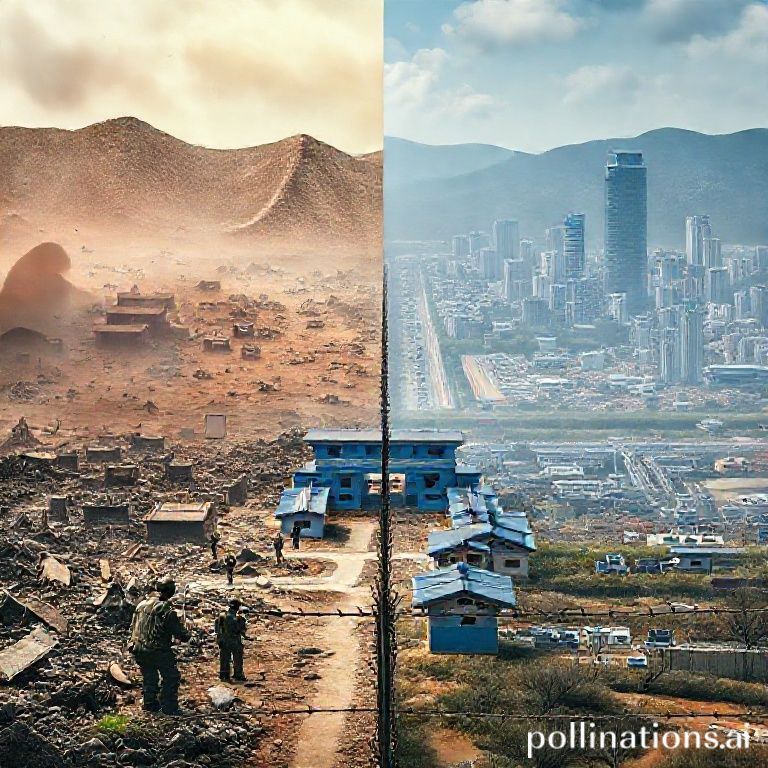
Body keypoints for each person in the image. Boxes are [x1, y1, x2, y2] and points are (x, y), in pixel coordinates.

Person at [128, 577, 190, 715]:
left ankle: (150, 706)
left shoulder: (141, 605)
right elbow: (181, 634)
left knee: (150, 677)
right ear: (171, 592)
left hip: (138, 649)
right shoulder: (166, 610)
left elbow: (133, 627)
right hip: (157, 651)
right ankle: (169, 707)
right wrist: (186, 634)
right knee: (172, 677)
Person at [215, 598, 247, 682]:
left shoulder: (222, 615)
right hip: (234, 640)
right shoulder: (237, 618)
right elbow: (241, 630)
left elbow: (217, 628)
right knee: (237, 658)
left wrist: (219, 639)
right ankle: (238, 674)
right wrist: (242, 620)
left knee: (224, 658)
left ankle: (224, 675)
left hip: (223, 640)